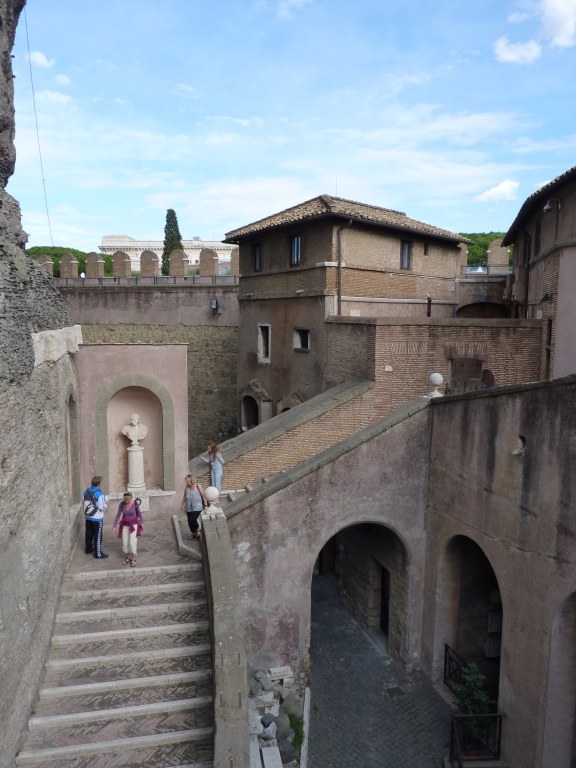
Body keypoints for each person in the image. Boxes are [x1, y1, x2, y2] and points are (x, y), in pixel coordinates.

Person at [112, 492, 143, 567]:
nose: (126, 502)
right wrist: (114, 526)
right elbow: (118, 515)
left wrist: (141, 522)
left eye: (128, 500)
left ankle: (133, 559)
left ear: (131, 498)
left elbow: (139, 514)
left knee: (132, 542)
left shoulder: (135, 503)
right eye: (125, 500)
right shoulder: (121, 504)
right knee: (125, 542)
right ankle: (128, 557)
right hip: (125, 526)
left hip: (133, 525)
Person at [83, 475, 108, 559]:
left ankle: (88, 549)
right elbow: (101, 507)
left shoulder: (86, 491)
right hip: (97, 518)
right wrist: (105, 505)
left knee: (89, 534)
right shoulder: (98, 493)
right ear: (99, 483)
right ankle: (98, 554)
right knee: (98, 536)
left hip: (88, 516)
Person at [181, 474, 206, 540]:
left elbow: (204, 497)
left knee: (192, 519)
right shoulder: (187, 487)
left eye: (188, 481)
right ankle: (194, 534)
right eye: (186, 481)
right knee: (189, 521)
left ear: (192, 480)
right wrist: (182, 505)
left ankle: (198, 529)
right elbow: (184, 496)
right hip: (189, 507)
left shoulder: (198, 487)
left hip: (197, 507)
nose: (187, 483)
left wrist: (205, 506)